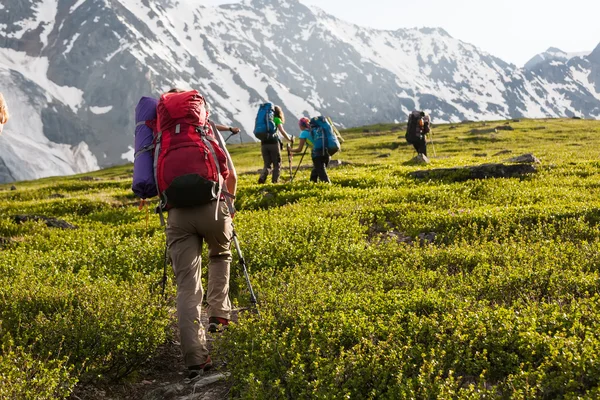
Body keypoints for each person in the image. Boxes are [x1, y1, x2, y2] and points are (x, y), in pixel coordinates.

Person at [162, 89, 237, 382]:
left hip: (178, 215)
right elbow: (230, 172)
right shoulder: (205, 127)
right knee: (220, 253)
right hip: (213, 207)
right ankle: (219, 311)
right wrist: (229, 204)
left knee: (187, 286)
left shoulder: (162, 136)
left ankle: (195, 358)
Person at [258, 105, 293, 184]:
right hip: (273, 143)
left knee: (267, 163)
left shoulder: (264, 120)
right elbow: (282, 131)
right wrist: (289, 139)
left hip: (263, 143)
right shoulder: (277, 119)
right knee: (276, 163)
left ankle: (262, 177)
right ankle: (275, 181)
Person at [289, 117, 331, 183]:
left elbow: (299, 149)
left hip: (317, 155)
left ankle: (328, 187)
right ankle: (312, 184)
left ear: (301, 125)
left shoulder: (303, 133)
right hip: (327, 153)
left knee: (322, 174)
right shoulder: (315, 130)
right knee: (315, 173)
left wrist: (290, 150)